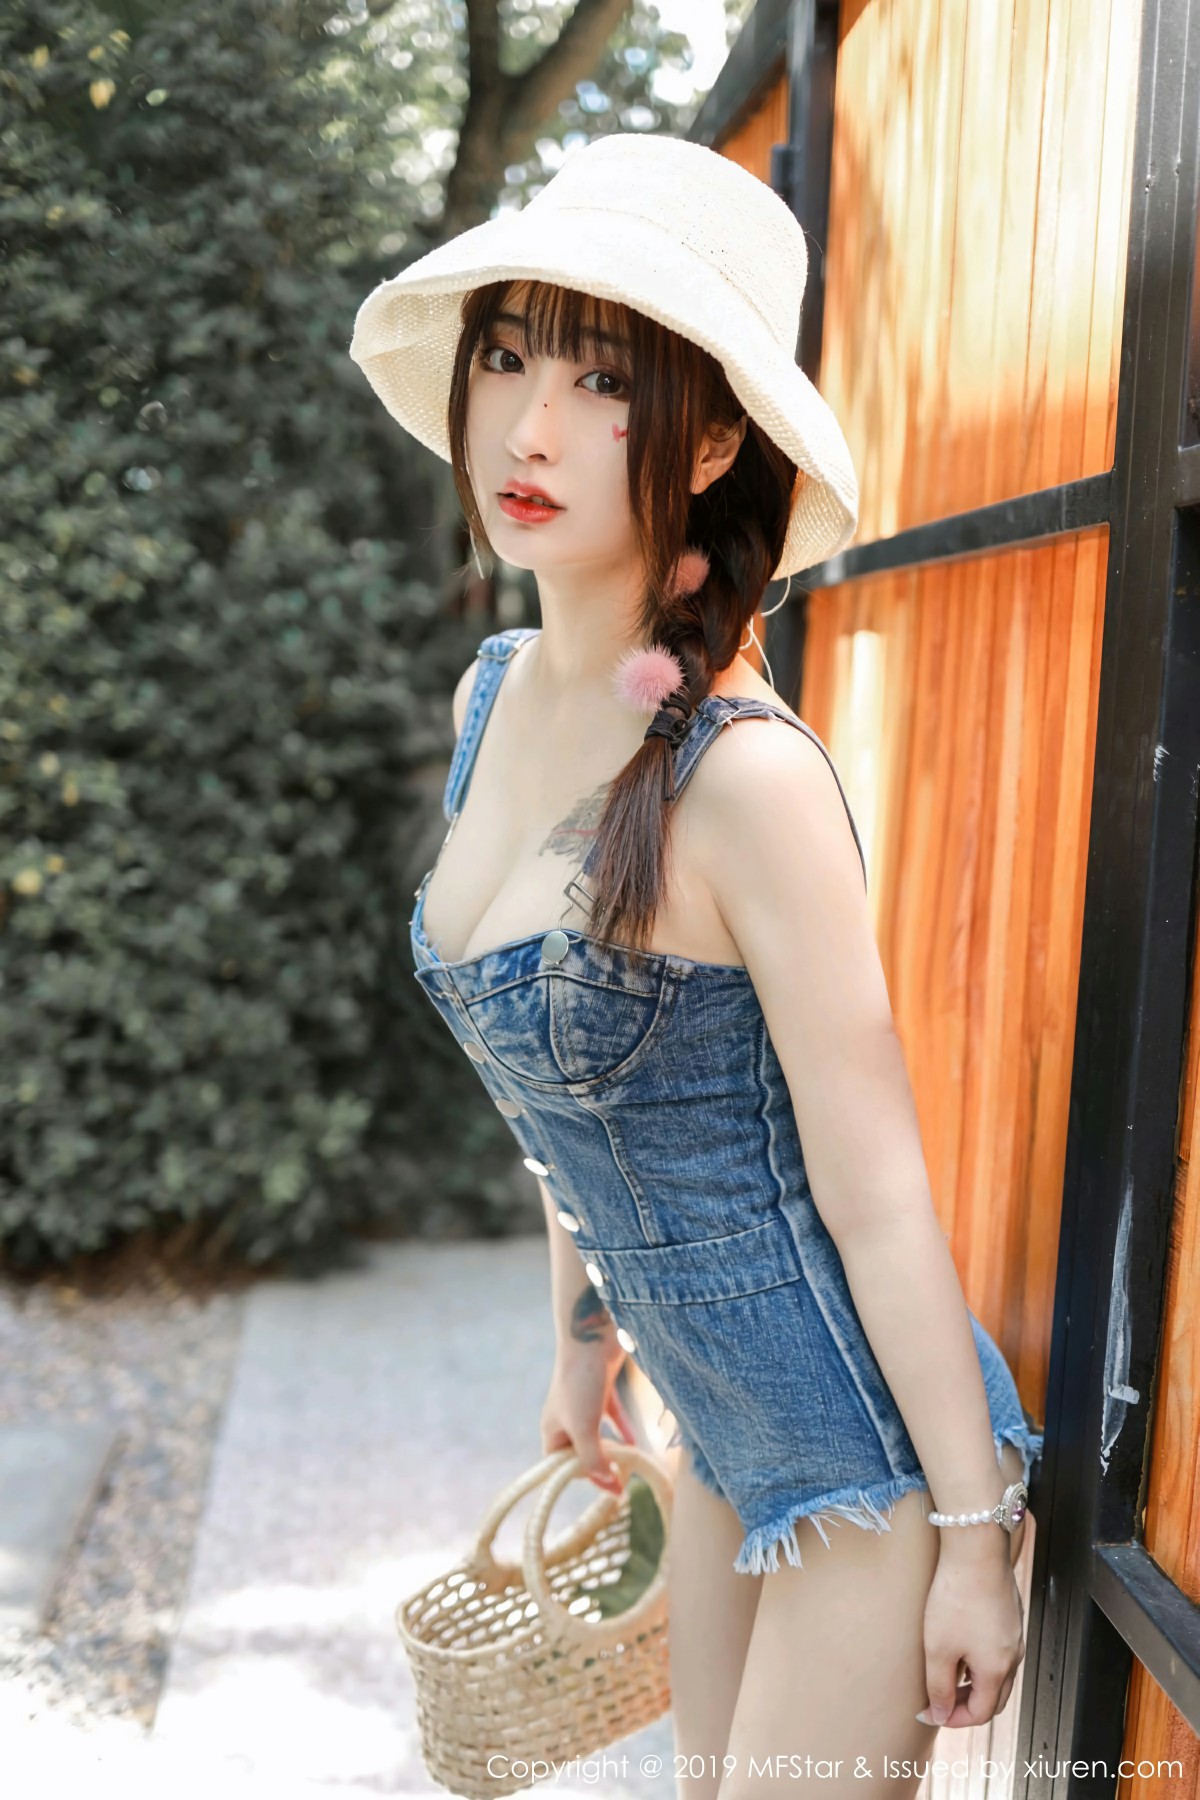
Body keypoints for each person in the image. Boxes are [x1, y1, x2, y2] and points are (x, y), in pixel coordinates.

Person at [350, 132, 1043, 1800]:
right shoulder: (495, 695)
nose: (528, 428)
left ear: (715, 439)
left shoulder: (745, 781)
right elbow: (570, 1088)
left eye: (604, 383)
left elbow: (880, 1194)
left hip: (860, 1465)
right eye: (507, 359)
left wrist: (972, 1537)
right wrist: (582, 1341)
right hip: (715, 1432)